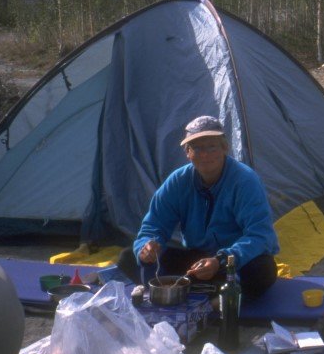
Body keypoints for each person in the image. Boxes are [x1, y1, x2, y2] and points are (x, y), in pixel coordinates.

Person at [117, 115, 279, 297]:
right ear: (187, 152)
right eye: (197, 148)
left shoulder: (245, 181)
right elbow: (154, 224)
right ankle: (213, 292)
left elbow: (260, 235)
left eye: (212, 147)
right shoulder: (178, 181)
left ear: (225, 148)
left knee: (262, 271)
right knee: (128, 258)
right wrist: (146, 247)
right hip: (197, 260)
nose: (205, 155)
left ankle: (205, 292)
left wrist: (221, 260)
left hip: (234, 260)